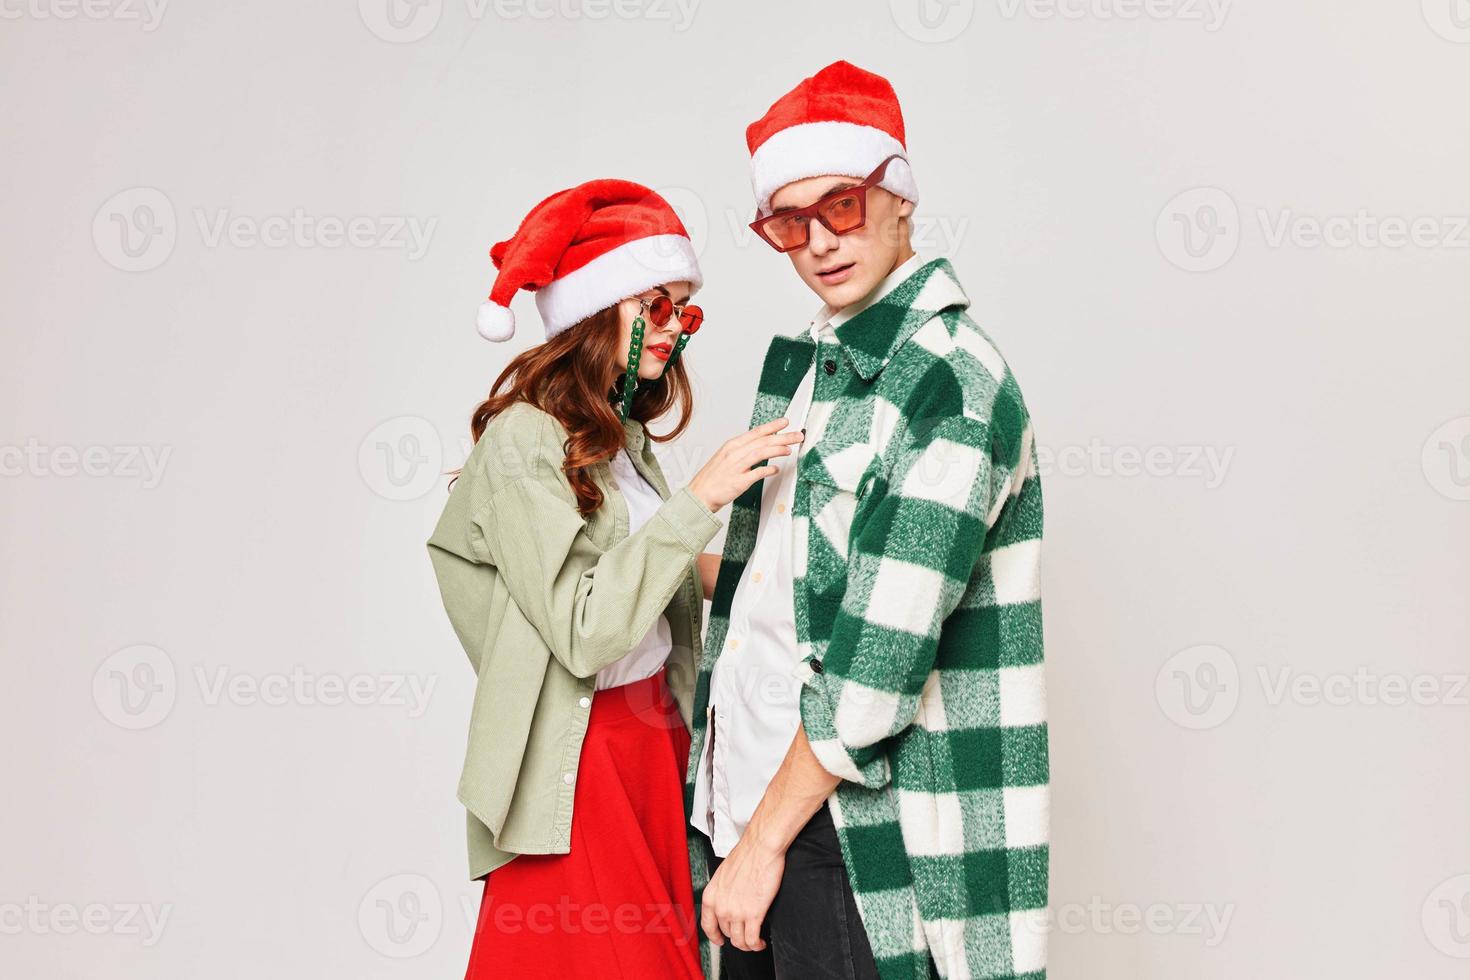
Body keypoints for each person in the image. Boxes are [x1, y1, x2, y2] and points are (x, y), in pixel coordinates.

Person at [686, 61, 1051, 980]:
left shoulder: (951, 386)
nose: (818, 241)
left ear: (898, 198)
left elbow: (874, 675)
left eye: (841, 205)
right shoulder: (818, 367)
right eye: (789, 222)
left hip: (851, 834)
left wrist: (763, 846)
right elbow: (782, 588)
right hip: (755, 809)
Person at [426, 178, 803, 980]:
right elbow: (584, 629)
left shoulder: (621, 440)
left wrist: (790, 569)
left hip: (654, 744)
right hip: (580, 756)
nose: (674, 329)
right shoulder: (524, 440)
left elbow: (661, 587)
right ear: (593, 313)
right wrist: (701, 496)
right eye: (654, 306)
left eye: (683, 312)